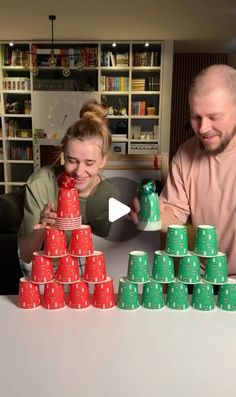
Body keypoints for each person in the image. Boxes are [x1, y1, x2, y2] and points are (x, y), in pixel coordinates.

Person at [131, 64, 236, 276]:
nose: (203, 128)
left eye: (214, 117)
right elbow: (175, 214)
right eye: (195, 117)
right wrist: (152, 214)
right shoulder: (185, 152)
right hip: (204, 280)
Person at [18, 100, 118, 266]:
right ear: (63, 154)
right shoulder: (41, 184)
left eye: (89, 162)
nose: (79, 171)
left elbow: (111, 258)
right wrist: (42, 227)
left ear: (103, 160)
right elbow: (26, 256)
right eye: (72, 160)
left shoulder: (111, 195)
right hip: (46, 271)